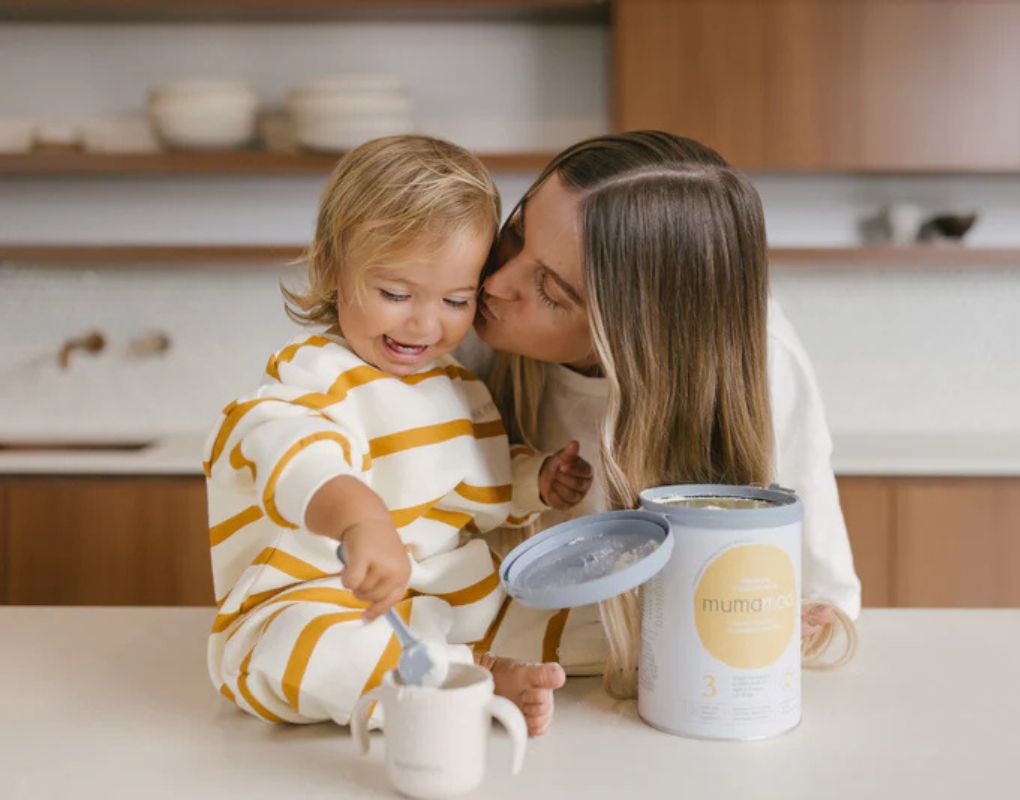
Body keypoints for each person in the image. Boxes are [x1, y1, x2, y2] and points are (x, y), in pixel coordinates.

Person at [202, 135, 590, 733]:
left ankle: (475, 668)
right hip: (322, 600)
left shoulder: (459, 386)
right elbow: (291, 446)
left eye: (456, 300)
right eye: (395, 294)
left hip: (441, 605)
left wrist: (535, 480)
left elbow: (478, 486)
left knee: (571, 619)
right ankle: (467, 678)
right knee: (301, 652)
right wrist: (361, 521)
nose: (423, 322)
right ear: (332, 268)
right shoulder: (314, 371)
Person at [459, 131, 861, 700]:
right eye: (516, 234)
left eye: (550, 292)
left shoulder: (764, 362)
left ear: (633, 334)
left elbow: (824, 605)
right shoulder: (460, 326)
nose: (494, 285)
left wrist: (772, 629)